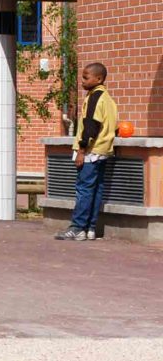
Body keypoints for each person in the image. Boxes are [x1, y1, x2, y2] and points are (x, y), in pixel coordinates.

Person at [55, 62, 118, 241]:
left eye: (86, 77)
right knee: (97, 188)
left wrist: (82, 150)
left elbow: (91, 125)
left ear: (99, 79)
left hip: (91, 150)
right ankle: (90, 228)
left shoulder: (94, 98)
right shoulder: (108, 99)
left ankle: (77, 227)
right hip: (104, 149)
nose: (82, 81)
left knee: (84, 189)